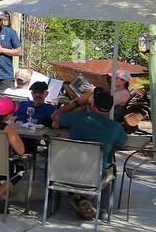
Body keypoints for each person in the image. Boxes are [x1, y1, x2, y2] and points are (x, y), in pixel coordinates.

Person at [51, 86, 128, 220]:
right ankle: (97, 205)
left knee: (76, 166)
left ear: (92, 103)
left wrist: (77, 102)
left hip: (62, 172)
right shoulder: (115, 127)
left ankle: (80, 198)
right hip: (93, 177)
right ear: (110, 108)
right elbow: (123, 141)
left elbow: (54, 116)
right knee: (112, 170)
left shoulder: (77, 116)